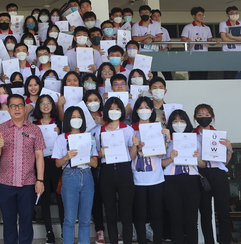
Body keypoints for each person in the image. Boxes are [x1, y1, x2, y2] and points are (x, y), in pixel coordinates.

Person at [0, 94, 45, 244]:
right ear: (8, 109)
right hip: (6, 183)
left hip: (28, 183)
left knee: (26, 221)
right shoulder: (1, 129)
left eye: (20, 105)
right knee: (8, 223)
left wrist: (40, 180)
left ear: (24, 108)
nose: (17, 109)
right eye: (13, 106)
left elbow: (39, 156)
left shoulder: (35, 130)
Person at [51, 106, 98, 244]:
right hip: (70, 176)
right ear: (67, 119)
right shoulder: (61, 139)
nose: (76, 120)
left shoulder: (89, 137)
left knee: (85, 220)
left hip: (87, 175)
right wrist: (66, 156)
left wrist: (84, 157)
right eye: (73, 117)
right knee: (70, 219)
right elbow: (57, 164)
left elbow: (95, 163)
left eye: (79, 117)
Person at [96, 97, 137, 244]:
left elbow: (131, 156)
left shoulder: (128, 130)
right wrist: (101, 153)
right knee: (110, 214)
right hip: (106, 171)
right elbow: (96, 155)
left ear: (122, 111)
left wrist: (134, 146)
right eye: (111, 109)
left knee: (126, 214)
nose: (114, 112)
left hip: (124, 171)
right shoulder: (99, 130)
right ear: (106, 111)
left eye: (118, 109)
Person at [193, 104, 233, 244]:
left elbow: (225, 162)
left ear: (212, 116)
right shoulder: (192, 136)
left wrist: (229, 149)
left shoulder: (219, 136)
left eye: (206, 114)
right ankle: (209, 241)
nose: (204, 117)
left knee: (223, 212)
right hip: (201, 174)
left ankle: (225, 241)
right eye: (200, 115)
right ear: (195, 118)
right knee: (205, 213)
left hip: (218, 174)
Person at [130, 97, 167, 244]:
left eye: (147, 107)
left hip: (156, 178)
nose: (143, 110)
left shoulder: (158, 128)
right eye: (140, 107)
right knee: (139, 214)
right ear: (136, 110)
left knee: (157, 213)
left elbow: (160, 154)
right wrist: (136, 148)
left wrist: (166, 138)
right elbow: (129, 156)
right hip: (137, 179)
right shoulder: (130, 130)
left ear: (152, 110)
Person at [162, 109, 201, 244]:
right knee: (176, 220)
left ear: (187, 122)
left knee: (191, 220)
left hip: (191, 180)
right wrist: (171, 157)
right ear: (170, 123)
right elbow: (161, 163)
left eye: (182, 121)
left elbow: (203, 163)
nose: (179, 124)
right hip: (171, 181)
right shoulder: (167, 140)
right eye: (175, 121)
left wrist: (197, 157)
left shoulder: (195, 138)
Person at [32, 95, 64, 243]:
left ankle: (65, 229)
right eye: (42, 103)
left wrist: (59, 134)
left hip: (56, 162)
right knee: (44, 198)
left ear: (52, 105)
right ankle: (49, 231)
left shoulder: (59, 123)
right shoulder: (33, 124)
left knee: (60, 197)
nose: (45, 106)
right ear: (38, 106)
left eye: (48, 103)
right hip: (40, 163)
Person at [180, 6, 217, 80]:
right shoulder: (188, 27)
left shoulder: (207, 28)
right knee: (194, 75)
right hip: (193, 54)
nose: (201, 17)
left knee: (204, 75)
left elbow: (209, 41)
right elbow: (183, 40)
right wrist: (186, 40)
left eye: (202, 15)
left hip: (204, 54)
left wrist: (215, 42)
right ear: (193, 16)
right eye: (199, 15)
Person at [219, 5, 241, 79]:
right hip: (227, 51)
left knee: (236, 73)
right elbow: (224, 39)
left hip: (238, 52)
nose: (235, 15)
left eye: (236, 13)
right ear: (228, 15)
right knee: (228, 74)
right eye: (232, 13)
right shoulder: (223, 24)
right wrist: (238, 39)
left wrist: (231, 37)